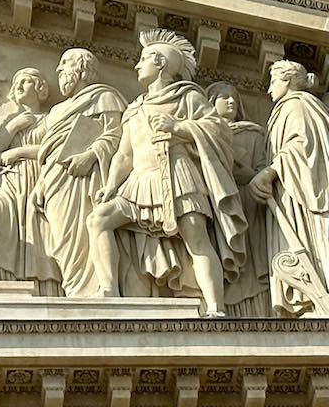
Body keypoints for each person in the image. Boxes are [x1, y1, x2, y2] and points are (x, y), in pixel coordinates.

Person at [88, 30, 245, 314]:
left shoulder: (188, 97)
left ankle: (215, 307)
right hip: (138, 181)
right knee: (98, 220)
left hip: (178, 175)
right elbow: (124, 154)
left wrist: (178, 128)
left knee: (196, 236)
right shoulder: (134, 109)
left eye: (144, 59)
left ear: (160, 63)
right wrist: (111, 185)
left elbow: (218, 129)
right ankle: (108, 289)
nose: (137, 66)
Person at [33, 49, 127, 297]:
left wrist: (90, 155)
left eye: (65, 63)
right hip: (55, 179)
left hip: (86, 178)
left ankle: (92, 291)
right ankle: (75, 291)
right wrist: (40, 182)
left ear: (83, 68)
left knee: (85, 234)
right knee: (61, 241)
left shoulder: (104, 97)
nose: (58, 70)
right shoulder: (55, 112)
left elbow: (117, 136)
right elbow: (47, 152)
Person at [0, 67, 61, 293]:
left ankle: (45, 289)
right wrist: (13, 127)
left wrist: (19, 152)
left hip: (41, 181)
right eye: (16, 84)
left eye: (25, 81)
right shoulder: (5, 120)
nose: (19, 87)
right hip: (9, 182)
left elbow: (59, 151)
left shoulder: (52, 119)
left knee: (43, 235)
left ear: (40, 88)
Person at [249, 60, 329, 312]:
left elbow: (303, 147)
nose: (270, 90)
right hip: (290, 190)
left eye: (273, 82)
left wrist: (271, 172)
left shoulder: (297, 105)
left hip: (303, 195)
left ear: (287, 81)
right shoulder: (288, 108)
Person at [207, 81, 270, 317]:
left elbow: (264, 166)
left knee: (252, 259)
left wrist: (255, 176)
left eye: (234, 97)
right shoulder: (206, 133)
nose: (231, 101)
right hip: (218, 202)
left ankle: (258, 312)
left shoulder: (253, 134)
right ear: (211, 102)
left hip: (247, 200)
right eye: (224, 97)